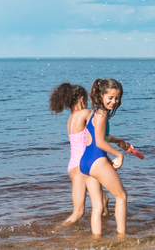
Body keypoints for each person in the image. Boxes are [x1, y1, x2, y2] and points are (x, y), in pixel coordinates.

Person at [48, 82, 109, 229]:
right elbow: (97, 137)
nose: (87, 102)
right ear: (82, 99)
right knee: (79, 212)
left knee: (104, 199)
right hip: (85, 164)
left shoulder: (71, 118)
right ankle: (54, 232)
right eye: (86, 99)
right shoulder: (85, 113)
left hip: (72, 166)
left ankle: (106, 225)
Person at [80, 78, 128, 236]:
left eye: (117, 98)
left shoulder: (94, 112)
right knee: (121, 196)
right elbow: (100, 142)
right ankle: (121, 237)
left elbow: (99, 137)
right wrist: (118, 153)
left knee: (97, 206)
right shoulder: (102, 115)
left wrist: (116, 141)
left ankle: (96, 240)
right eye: (110, 98)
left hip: (86, 162)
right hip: (97, 161)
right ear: (101, 95)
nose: (114, 101)